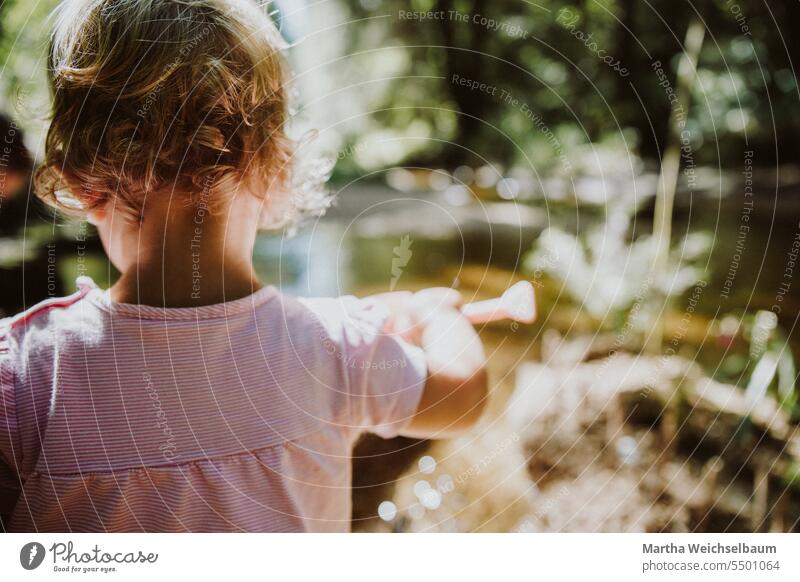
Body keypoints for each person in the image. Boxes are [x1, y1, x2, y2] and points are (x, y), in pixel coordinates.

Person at [0, 0, 487, 532]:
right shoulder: (334, 347)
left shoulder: (25, 374)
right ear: (276, 169)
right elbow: (462, 398)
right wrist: (438, 313)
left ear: (82, 182)